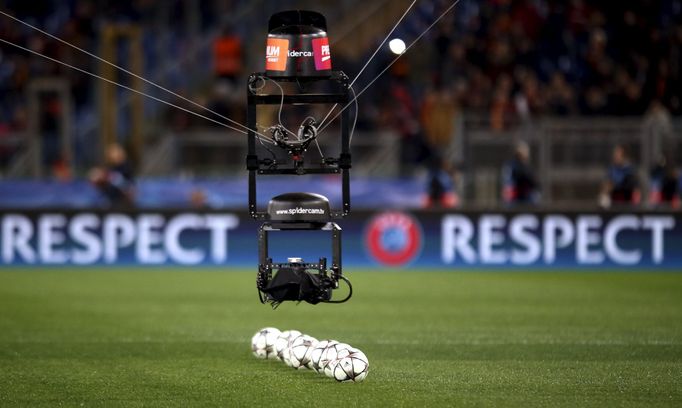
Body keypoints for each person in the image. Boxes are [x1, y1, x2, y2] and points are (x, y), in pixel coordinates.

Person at [89, 143, 135, 208]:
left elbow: (129, 188)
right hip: (111, 202)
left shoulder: (126, 168)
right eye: (110, 153)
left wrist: (107, 176)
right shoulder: (111, 168)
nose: (112, 156)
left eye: (114, 153)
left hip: (123, 203)